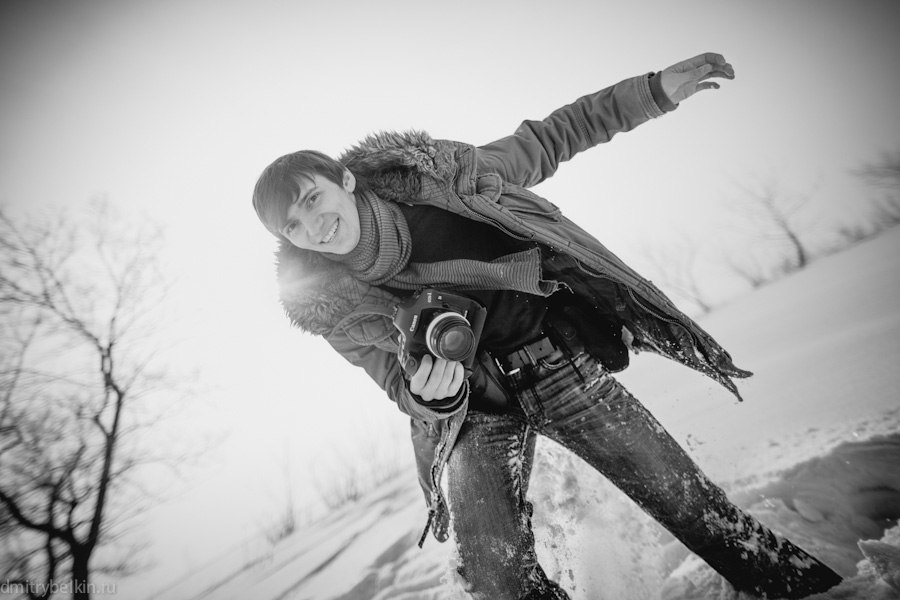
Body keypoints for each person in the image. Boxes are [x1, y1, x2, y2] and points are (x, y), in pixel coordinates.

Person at [251, 53, 843, 599]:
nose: (312, 226)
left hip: (558, 366)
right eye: (292, 226)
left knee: (693, 509)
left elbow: (551, 137)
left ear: (345, 181)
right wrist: (429, 395)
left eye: (311, 199)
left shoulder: (445, 181)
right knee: (496, 579)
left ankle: (811, 592)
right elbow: (394, 383)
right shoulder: (329, 307)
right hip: (473, 412)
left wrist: (653, 92)